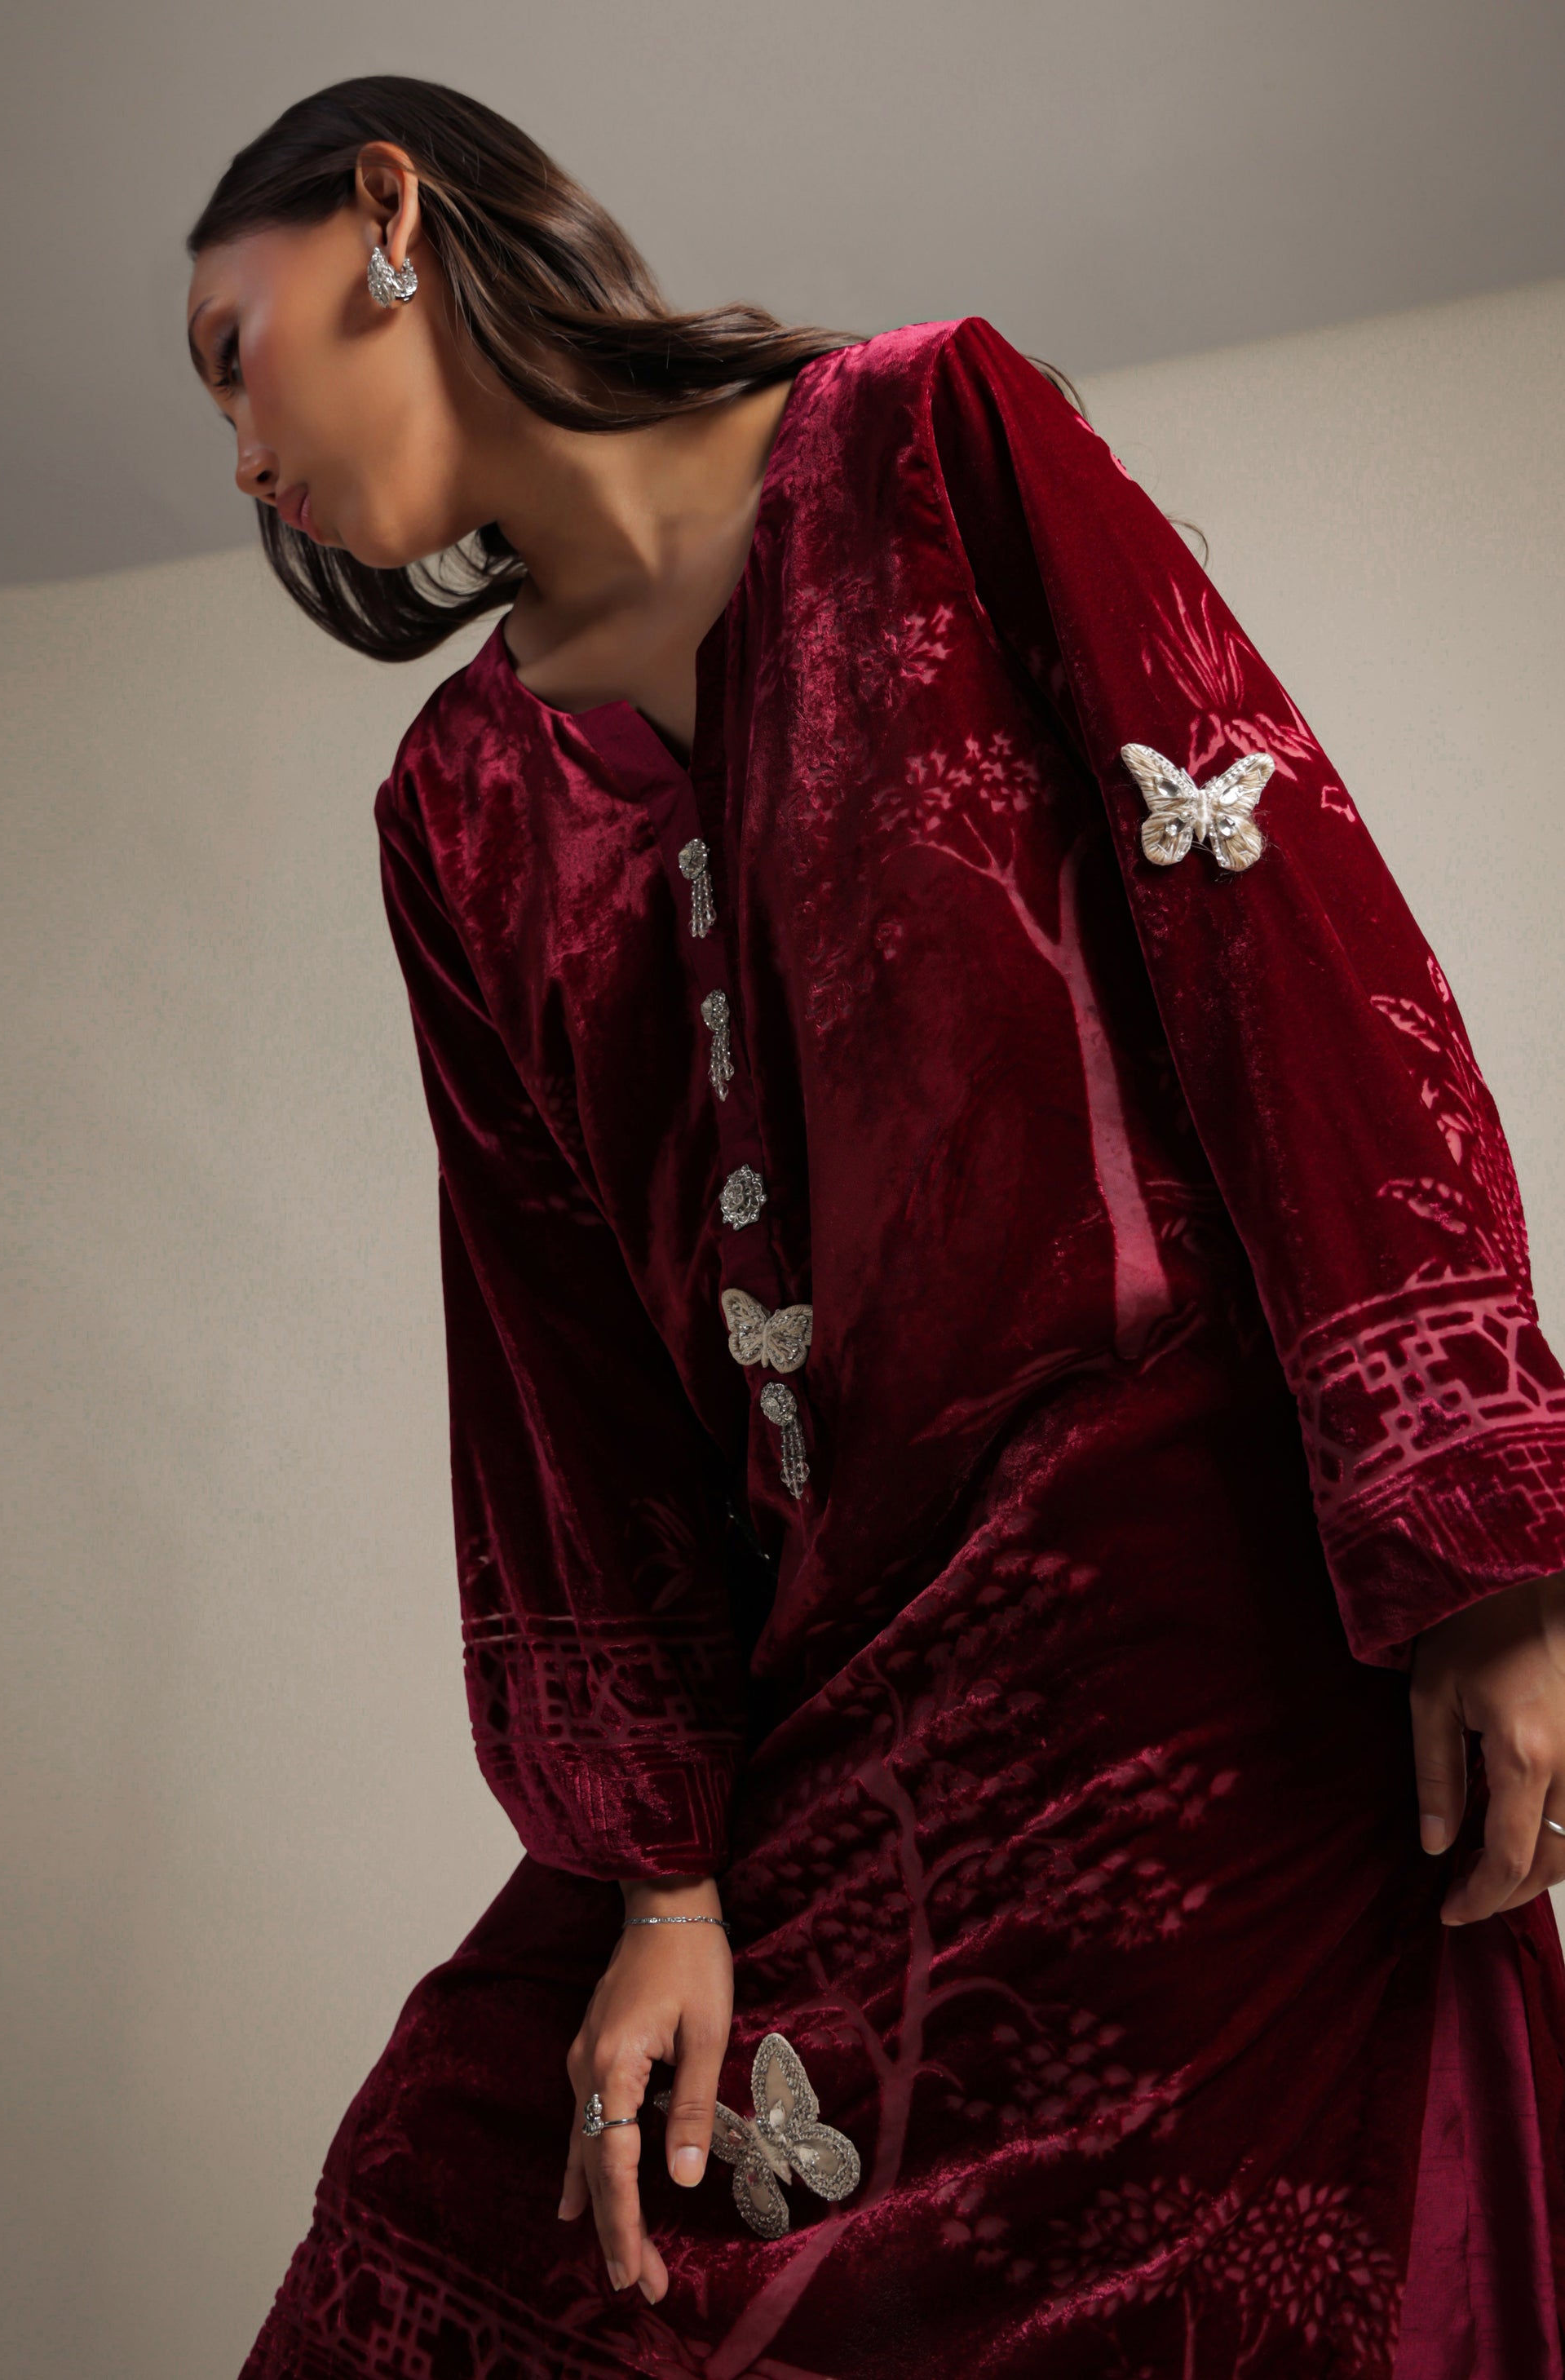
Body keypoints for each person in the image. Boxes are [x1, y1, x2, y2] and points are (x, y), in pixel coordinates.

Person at [185, 75, 1565, 2380]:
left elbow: (1278, 928)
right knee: (462, 2202)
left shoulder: (935, 441)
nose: (241, 458)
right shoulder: (456, 806)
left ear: (387, 216)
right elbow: (556, 1362)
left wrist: (1484, 1560)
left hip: (1212, 1643)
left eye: (233, 355)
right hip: (839, 1687)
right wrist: (660, 1877)